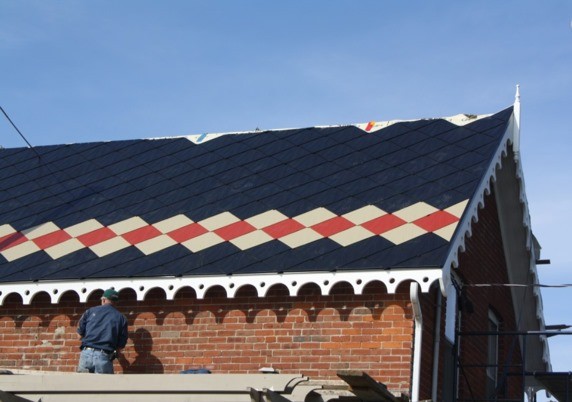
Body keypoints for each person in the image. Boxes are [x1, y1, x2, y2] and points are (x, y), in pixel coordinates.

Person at [76, 288, 128, 374]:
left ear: (103, 300)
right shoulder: (121, 318)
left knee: (83, 385)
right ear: (116, 302)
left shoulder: (89, 312)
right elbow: (121, 345)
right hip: (104, 355)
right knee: (103, 386)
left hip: (86, 354)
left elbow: (79, 335)